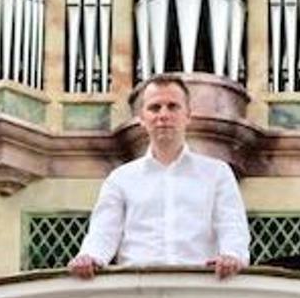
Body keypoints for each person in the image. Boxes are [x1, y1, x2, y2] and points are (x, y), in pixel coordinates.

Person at [67, 75, 250, 279]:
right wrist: (89, 257)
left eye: (173, 106)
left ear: (188, 115)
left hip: (200, 288)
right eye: (155, 108)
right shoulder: (120, 179)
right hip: (137, 289)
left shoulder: (217, 173)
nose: (163, 115)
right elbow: (103, 232)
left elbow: (232, 227)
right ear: (142, 119)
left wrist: (232, 256)